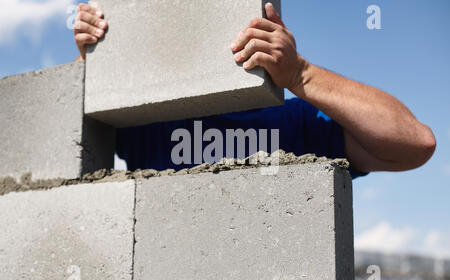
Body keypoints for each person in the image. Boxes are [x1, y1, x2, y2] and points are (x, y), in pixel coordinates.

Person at [73, 2, 436, 179]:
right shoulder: (147, 116)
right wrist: (96, 66)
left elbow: (415, 144)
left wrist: (300, 75)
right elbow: (67, 153)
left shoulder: (298, 122)